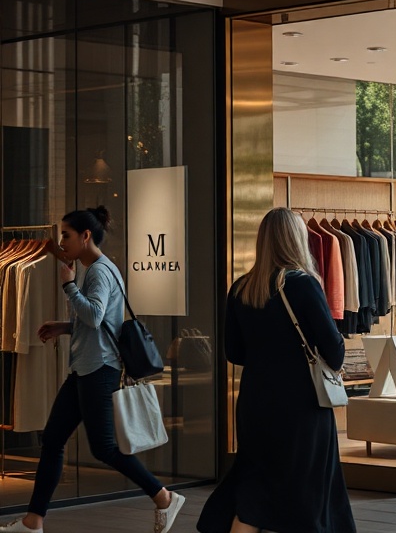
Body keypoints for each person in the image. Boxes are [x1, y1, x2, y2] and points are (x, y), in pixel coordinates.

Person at [0, 206, 186, 533]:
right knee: (54, 440)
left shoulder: (98, 271)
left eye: (66, 235)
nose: (62, 241)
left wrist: (69, 286)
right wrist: (63, 326)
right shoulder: (97, 268)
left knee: (104, 448)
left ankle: (163, 497)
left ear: (86, 236)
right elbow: (98, 321)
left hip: (98, 369)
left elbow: (96, 316)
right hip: (86, 369)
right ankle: (33, 521)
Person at [197, 208, 355, 533]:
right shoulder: (304, 285)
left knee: (255, 488)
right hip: (303, 407)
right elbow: (334, 355)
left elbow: (234, 353)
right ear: (297, 239)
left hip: (255, 402)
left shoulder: (241, 288)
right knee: (307, 491)